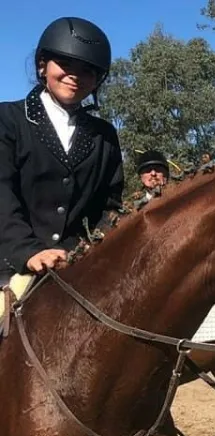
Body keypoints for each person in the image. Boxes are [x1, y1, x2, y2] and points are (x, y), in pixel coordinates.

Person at [0, 17, 123, 288]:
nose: (74, 76)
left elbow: (110, 206)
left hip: (76, 269)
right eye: (65, 64)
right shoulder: (7, 119)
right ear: (43, 65)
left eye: (87, 70)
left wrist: (89, 251)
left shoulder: (105, 136)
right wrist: (27, 251)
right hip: (9, 266)